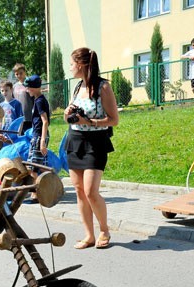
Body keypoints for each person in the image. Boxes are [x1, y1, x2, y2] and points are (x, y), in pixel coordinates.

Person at [63, 47, 119, 250]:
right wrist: (68, 112)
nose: (69, 68)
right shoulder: (77, 87)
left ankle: (104, 230)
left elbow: (114, 120)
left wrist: (90, 121)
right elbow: (67, 119)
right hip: (75, 140)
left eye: (71, 64)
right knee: (79, 191)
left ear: (81, 64)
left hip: (96, 143)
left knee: (90, 191)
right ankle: (89, 235)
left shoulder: (103, 87)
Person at [23, 75, 50, 203]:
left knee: (33, 168)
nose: (27, 90)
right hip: (37, 135)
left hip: (39, 136)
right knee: (41, 167)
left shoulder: (39, 102)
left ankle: (36, 195)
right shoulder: (38, 99)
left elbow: (45, 121)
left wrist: (42, 141)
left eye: (28, 88)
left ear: (33, 88)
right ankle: (53, 188)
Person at [12, 63, 34, 132]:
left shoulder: (30, 84)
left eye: (21, 73)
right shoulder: (14, 86)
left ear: (24, 72)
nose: (19, 75)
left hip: (29, 117)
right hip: (18, 118)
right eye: (16, 74)